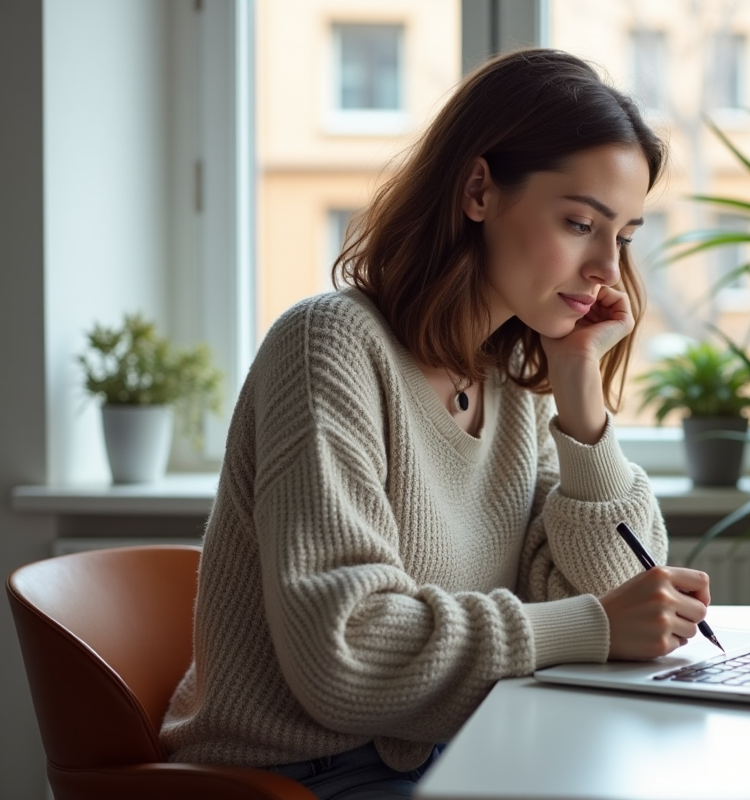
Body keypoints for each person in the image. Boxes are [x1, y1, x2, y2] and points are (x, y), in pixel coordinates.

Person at [161, 48, 713, 799]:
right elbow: (345, 653)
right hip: (300, 775)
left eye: (622, 237)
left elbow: (619, 587)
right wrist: (589, 627)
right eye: (581, 222)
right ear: (479, 189)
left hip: (458, 749)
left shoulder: (512, 381)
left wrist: (580, 392)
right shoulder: (329, 346)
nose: (607, 272)